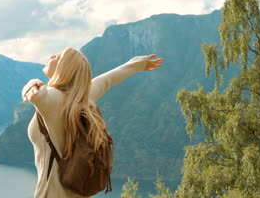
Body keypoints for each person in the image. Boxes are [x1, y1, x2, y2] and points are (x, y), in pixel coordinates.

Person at [22, 47, 163, 198]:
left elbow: (40, 96)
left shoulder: (55, 100)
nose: (51, 56)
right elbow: (106, 81)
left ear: (64, 68)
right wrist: (136, 64)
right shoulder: (82, 99)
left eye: (57, 56)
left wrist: (33, 84)